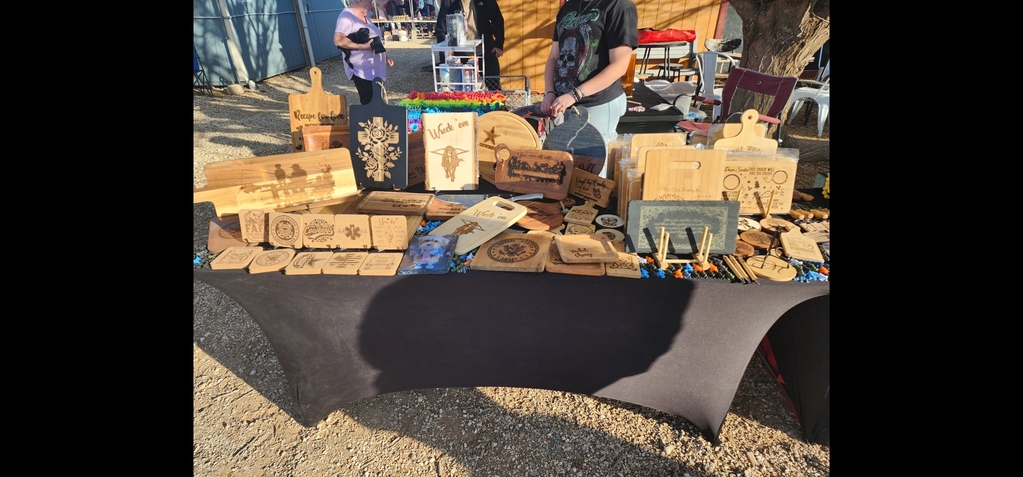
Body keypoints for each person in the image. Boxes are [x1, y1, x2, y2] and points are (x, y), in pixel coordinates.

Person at [542, 0, 638, 165]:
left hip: (598, 104)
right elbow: (554, 57)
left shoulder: (619, 6)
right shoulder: (568, 7)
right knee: (567, 167)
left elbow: (620, 65)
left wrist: (575, 94)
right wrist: (549, 92)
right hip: (564, 105)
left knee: (592, 172)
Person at [433, 0, 504, 90]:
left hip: (486, 50)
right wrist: (444, 58)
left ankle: (497, 99)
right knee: (462, 89)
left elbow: (497, 19)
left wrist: (499, 44)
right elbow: (441, 30)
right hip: (461, 54)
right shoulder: (448, 2)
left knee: (494, 87)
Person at [334, 0, 395, 105]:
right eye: (370, 1)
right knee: (369, 105)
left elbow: (374, 40)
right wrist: (363, 47)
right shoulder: (346, 16)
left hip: (375, 72)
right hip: (362, 72)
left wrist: (385, 56)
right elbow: (338, 40)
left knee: (378, 104)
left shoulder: (364, 17)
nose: (372, 4)